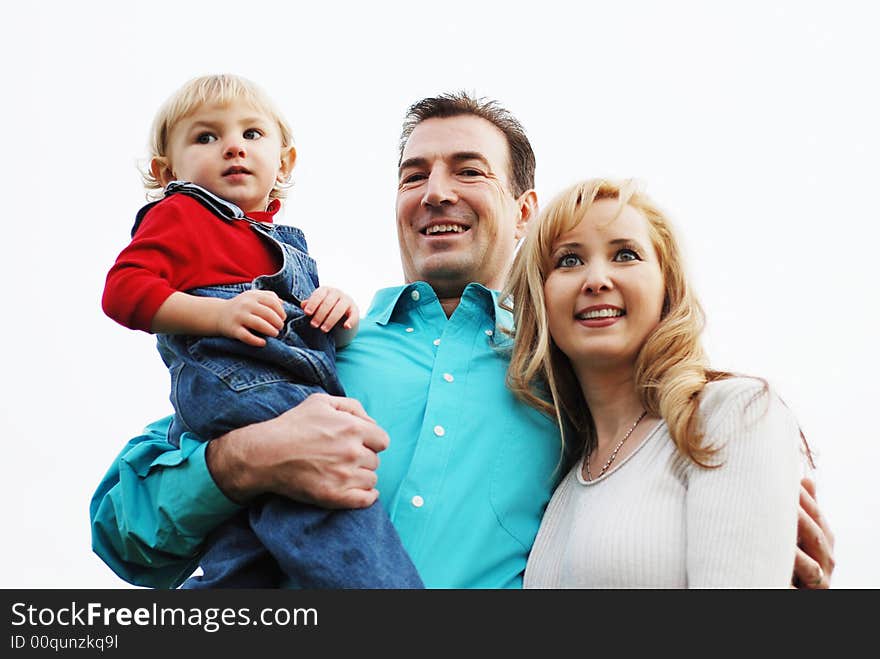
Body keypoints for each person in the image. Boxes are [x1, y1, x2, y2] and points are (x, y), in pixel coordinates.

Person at [90, 92, 835, 589]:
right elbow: (122, 527)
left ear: (524, 209)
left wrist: (753, 526)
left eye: (467, 170)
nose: (435, 191)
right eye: (414, 174)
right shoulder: (316, 342)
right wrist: (242, 461)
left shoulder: (569, 377)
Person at [100, 73, 422, 588]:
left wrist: (339, 317)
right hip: (239, 385)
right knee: (336, 503)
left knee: (247, 551)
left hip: (281, 380)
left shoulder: (284, 243)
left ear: (284, 162)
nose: (233, 147)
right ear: (167, 172)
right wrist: (218, 315)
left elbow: (312, 338)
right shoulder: (181, 214)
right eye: (206, 137)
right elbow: (122, 290)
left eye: (252, 134)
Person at [506, 178, 815, 587]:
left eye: (625, 255)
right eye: (568, 261)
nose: (596, 279)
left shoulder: (731, 414)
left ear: (667, 286)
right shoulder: (561, 481)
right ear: (539, 296)